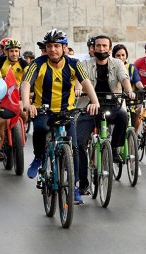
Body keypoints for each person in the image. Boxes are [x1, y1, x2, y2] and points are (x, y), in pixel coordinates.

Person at [21, 29, 99, 203]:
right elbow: (26, 83)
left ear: (64, 47)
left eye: (57, 46)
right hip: (43, 110)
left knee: (74, 148)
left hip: (67, 111)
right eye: (49, 46)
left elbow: (86, 82)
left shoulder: (74, 64)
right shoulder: (38, 64)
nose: (52, 50)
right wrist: (27, 103)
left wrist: (95, 102)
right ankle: (39, 157)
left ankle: (76, 185)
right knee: (40, 128)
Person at [76, 35, 135, 192]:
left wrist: (129, 91)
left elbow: (124, 78)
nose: (101, 49)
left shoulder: (117, 64)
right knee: (80, 142)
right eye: (98, 46)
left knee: (123, 116)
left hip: (111, 104)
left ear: (109, 48)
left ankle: (115, 148)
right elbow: (79, 80)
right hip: (89, 107)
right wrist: (78, 89)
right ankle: (83, 182)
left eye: (104, 46)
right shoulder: (85, 64)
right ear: (93, 48)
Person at [0, 39, 29, 161]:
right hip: (3, 96)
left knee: (24, 113)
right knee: (1, 122)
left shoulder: (24, 63)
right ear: (6, 52)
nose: (14, 54)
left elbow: (30, 78)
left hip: (18, 95)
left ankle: (20, 131)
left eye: (16, 51)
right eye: (11, 51)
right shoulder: (0, 62)